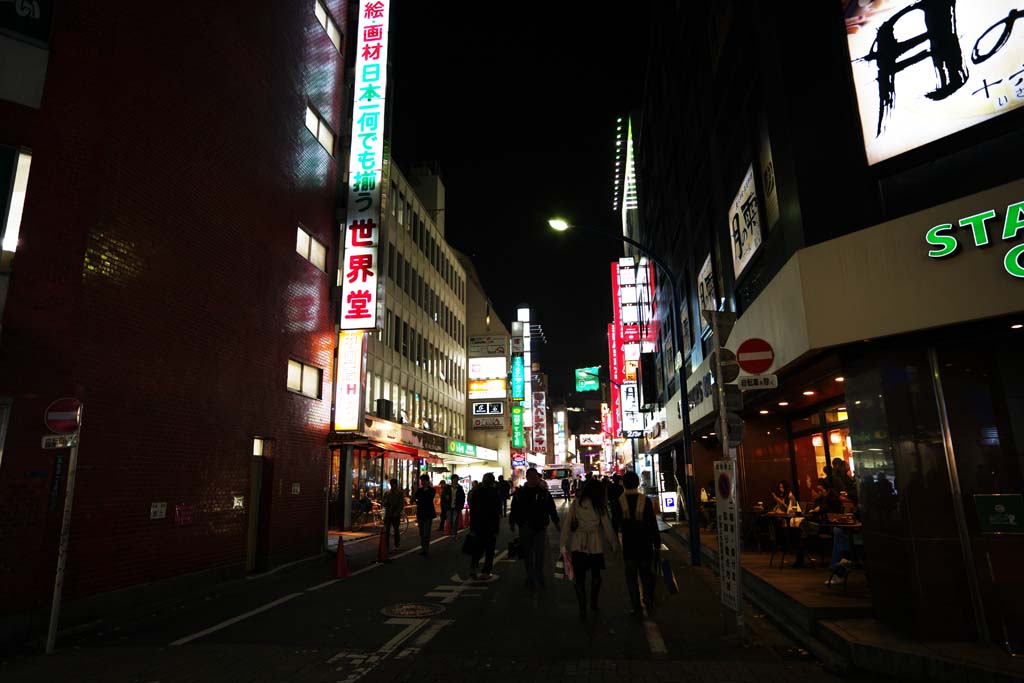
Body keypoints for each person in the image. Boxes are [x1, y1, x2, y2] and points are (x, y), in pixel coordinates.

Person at [560, 478, 618, 619]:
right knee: (596, 576)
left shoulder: (577, 503)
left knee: (579, 578)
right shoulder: (600, 505)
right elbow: (607, 527)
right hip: (595, 543)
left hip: (578, 544)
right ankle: (593, 602)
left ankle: (582, 608)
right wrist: (614, 544)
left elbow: (567, 524)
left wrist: (563, 544)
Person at [509, 467, 559, 589]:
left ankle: (539, 576)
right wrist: (512, 522)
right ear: (527, 477)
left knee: (539, 553)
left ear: (537, 477)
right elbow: (514, 509)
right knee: (528, 554)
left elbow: (551, 508)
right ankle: (531, 577)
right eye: (531, 476)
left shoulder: (543, 492)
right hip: (525, 526)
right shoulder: (520, 493)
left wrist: (556, 521)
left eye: (535, 476)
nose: (533, 479)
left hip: (540, 527)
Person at [619, 471, 659, 616]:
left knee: (631, 578)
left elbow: (616, 524)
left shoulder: (619, 501)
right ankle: (648, 601)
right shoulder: (645, 500)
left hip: (629, 546)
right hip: (645, 545)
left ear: (624, 484)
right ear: (637, 483)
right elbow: (653, 523)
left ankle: (636, 606)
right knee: (646, 574)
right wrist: (657, 541)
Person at [468, 473, 501, 579]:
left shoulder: (477, 492)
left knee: (477, 548)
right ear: (492, 482)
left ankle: (473, 568)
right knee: (490, 550)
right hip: (490, 526)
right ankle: (486, 572)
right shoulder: (494, 493)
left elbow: (473, 510)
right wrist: (496, 528)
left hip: (478, 525)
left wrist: (472, 526)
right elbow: (497, 512)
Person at [413, 474, 436, 557]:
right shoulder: (419, 490)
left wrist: (419, 499)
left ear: (427, 481)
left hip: (428, 514)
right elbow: (415, 498)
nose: (421, 482)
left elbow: (427, 499)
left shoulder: (432, 490)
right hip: (420, 513)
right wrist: (417, 499)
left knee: (426, 532)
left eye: (422, 480)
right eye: (421, 481)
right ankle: (423, 547)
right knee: (421, 532)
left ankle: (425, 549)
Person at [382, 479, 406, 551]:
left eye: (393, 484)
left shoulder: (399, 493)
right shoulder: (387, 493)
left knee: (396, 530)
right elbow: (383, 503)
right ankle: (386, 546)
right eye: (391, 484)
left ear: (396, 484)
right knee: (386, 531)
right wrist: (385, 502)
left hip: (395, 514)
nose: (392, 486)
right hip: (388, 514)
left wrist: (397, 513)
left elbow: (401, 504)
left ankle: (396, 545)